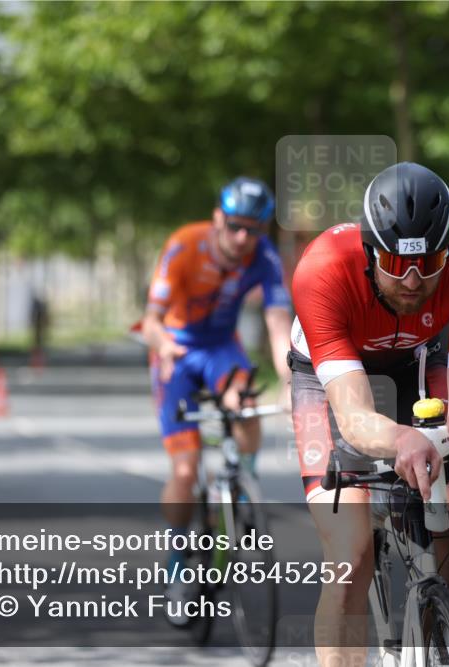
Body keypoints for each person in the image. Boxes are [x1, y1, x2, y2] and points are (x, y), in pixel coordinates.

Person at [288, 162, 449, 667]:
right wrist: (404, 440)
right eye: (393, 261)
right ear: (368, 250)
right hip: (331, 378)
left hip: (414, 361)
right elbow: (356, 415)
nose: (412, 279)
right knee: (351, 555)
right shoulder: (321, 271)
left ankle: (424, 624)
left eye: (430, 264)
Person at [141, 176, 292, 625]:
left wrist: (291, 378)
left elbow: (278, 320)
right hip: (177, 350)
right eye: (235, 226)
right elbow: (149, 321)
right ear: (218, 219)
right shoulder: (184, 246)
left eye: (255, 229)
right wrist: (165, 347)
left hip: (221, 348)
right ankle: (177, 559)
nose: (243, 238)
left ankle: (241, 488)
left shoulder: (263, 256)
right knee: (186, 471)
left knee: (246, 402)